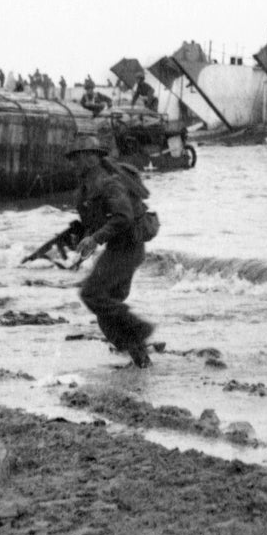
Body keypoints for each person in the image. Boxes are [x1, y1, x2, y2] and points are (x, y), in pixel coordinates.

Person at [68, 134, 155, 368]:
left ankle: (140, 329)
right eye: (72, 159)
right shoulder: (88, 186)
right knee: (106, 307)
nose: (73, 164)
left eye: (77, 158)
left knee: (92, 295)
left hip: (128, 249)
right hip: (120, 248)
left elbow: (123, 217)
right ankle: (141, 361)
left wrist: (95, 239)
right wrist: (82, 234)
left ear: (91, 158)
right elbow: (98, 219)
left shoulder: (109, 182)